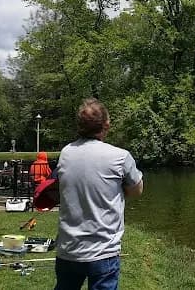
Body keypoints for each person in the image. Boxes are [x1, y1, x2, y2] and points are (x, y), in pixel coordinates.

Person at [54, 98, 144, 290]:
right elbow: (137, 190)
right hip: (103, 252)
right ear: (106, 125)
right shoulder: (120, 156)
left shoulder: (66, 153)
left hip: (69, 249)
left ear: (79, 126)